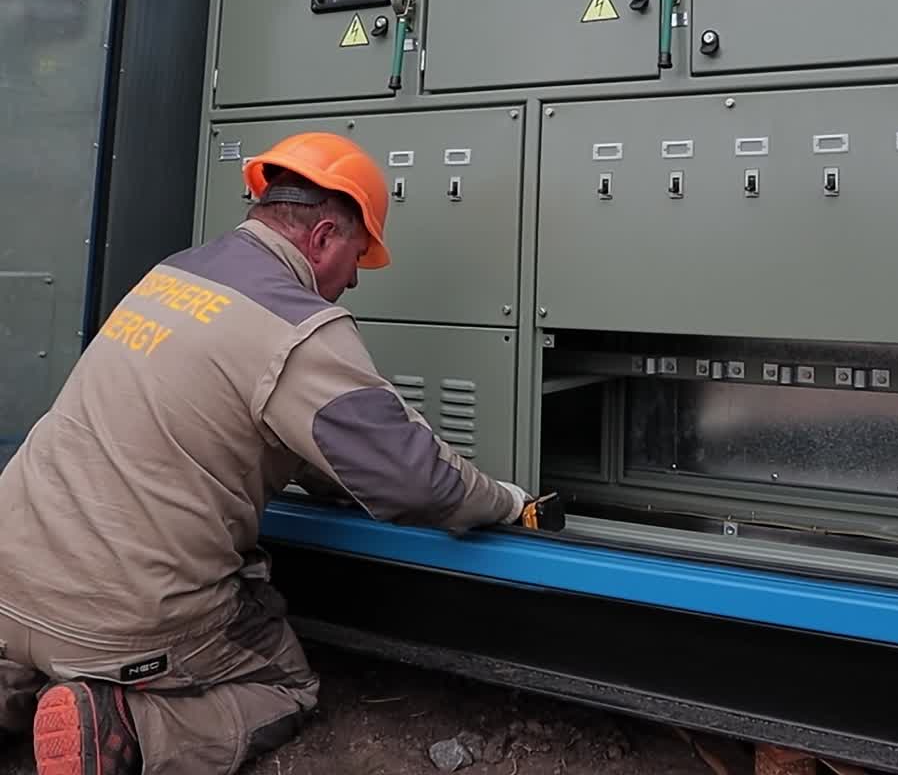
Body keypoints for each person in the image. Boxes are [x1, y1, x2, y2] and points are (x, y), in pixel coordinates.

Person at [0, 132, 531, 775]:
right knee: (283, 685)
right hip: (126, 616)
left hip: (12, 575)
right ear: (324, 236)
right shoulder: (299, 328)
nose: (355, 279)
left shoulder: (173, 274)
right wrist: (504, 500)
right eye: (358, 256)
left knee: (31, 640)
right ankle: (124, 725)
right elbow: (415, 480)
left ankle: (17, 685)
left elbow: (280, 437)